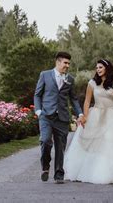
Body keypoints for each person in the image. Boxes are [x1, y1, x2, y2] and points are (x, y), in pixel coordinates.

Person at [33, 51, 85, 184]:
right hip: (46, 116)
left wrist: (79, 114)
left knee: (60, 147)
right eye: (65, 63)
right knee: (45, 141)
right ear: (58, 62)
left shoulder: (70, 79)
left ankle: (59, 174)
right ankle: (45, 167)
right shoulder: (45, 75)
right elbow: (37, 94)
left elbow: (73, 99)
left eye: (69, 63)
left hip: (62, 118)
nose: (67, 65)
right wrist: (38, 111)